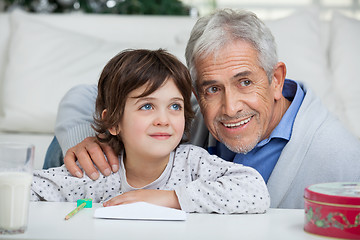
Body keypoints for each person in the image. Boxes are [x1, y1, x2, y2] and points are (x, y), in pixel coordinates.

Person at [46, 9, 360, 209]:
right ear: (196, 91)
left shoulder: (338, 156)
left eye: (245, 82)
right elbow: (86, 94)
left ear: (276, 80)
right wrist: (84, 138)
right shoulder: (182, 110)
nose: (230, 107)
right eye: (212, 88)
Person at [32, 49, 270, 214]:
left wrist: (170, 199)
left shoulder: (192, 163)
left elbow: (255, 191)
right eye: (147, 106)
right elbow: (26, 188)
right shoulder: (97, 172)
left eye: (175, 106)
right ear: (113, 123)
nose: (163, 120)